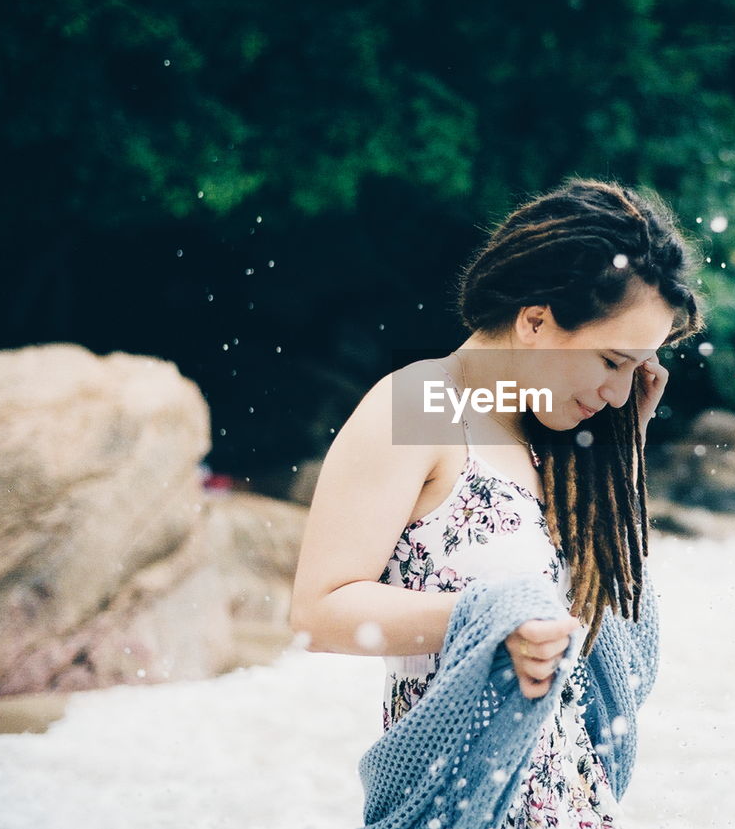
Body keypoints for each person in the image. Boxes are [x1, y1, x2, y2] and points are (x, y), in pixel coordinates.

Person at [288, 177, 706, 827]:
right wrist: (486, 619)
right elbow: (319, 610)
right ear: (535, 320)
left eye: (637, 369)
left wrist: (626, 456)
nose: (622, 392)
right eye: (612, 360)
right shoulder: (421, 405)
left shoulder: (571, 443)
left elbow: (613, 630)